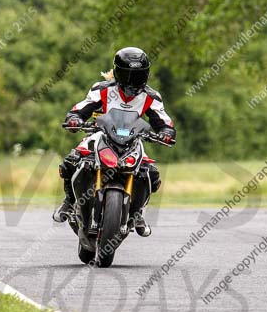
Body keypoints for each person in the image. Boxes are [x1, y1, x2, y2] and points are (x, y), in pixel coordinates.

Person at [52, 47, 176, 236]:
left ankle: (137, 212)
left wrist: (166, 131)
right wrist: (75, 118)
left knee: (150, 173)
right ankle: (69, 202)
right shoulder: (102, 89)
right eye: (128, 75)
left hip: (132, 141)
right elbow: (82, 107)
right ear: (118, 72)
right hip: (101, 136)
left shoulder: (151, 97)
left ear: (146, 75)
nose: (132, 81)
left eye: (137, 75)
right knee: (71, 160)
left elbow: (163, 120)